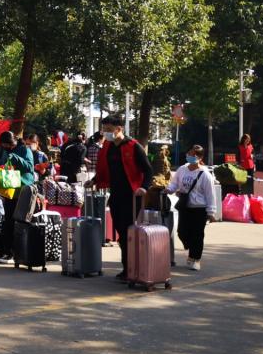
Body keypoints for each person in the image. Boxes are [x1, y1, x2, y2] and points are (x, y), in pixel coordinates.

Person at [90, 114, 153, 281]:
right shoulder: (108, 147)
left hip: (132, 196)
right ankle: (128, 268)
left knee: (127, 232)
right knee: (121, 231)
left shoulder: (134, 146)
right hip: (116, 195)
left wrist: (144, 187)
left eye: (109, 129)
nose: (106, 133)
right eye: (104, 130)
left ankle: (130, 269)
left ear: (119, 129)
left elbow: (148, 170)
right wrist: (94, 180)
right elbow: (103, 169)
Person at [165, 145, 217, 271]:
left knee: (197, 235)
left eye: (194, 155)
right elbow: (174, 184)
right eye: (189, 153)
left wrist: (211, 212)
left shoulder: (205, 174)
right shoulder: (182, 169)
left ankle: (195, 259)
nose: (190, 156)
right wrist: (168, 190)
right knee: (182, 232)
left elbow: (210, 194)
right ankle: (190, 248)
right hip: (184, 207)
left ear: (200, 157)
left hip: (199, 209)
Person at [0, 131, 36, 262]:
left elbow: (29, 167)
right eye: (4, 146)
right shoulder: (6, 151)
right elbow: (1, 163)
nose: (7, 148)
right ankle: (5, 251)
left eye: (8, 145)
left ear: (13, 142)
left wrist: (15, 158)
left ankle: (14, 253)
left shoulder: (25, 149)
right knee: (8, 220)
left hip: (22, 190)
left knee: (18, 222)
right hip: (10, 189)